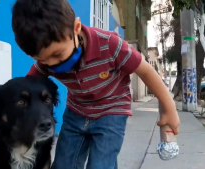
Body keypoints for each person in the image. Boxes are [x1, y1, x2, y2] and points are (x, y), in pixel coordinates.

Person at [11, 0, 180, 168]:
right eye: (43, 60)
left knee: (100, 165)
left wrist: (168, 106)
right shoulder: (46, 62)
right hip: (76, 112)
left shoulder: (110, 45)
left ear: (76, 28)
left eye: (58, 55)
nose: (52, 64)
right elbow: (25, 87)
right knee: (63, 165)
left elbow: (146, 71)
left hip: (111, 112)